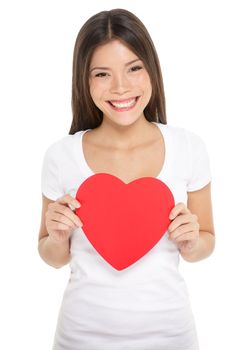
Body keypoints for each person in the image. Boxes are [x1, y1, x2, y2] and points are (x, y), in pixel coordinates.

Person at [38, 8, 215, 350]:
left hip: (171, 336)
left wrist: (193, 241)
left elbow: (206, 241)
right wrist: (58, 238)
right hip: (80, 337)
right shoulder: (61, 155)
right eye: (102, 74)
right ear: (85, 81)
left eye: (134, 68)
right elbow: (51, 255)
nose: (121, 87)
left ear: (151, 69)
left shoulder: (189, 147)